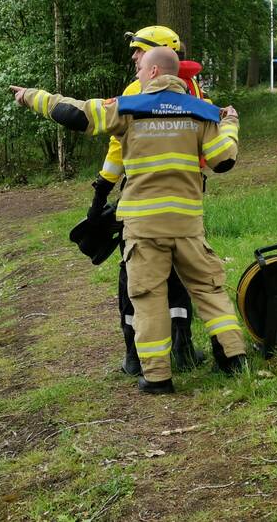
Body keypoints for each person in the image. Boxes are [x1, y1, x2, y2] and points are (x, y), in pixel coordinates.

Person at [10, 46, 247, 394]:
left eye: (139, 70)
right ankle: (233, 358)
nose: (135, 74)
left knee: (148, 296)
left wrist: (31, 96)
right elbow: (222, 160)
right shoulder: (203, 113)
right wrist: (230, 123)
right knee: (208, 289)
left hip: (144, 226)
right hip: (186, 224)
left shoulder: (127, 108)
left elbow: (74, 113)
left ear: (153, 73)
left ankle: (157, 377)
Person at [90, 26, 207, 377]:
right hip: (184, 200)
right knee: (180, 274)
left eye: (140, 50)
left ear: (159, 55)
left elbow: (117, 149)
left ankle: (136, 355)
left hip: (143, 204)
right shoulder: (191, 90)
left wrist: (101, 190)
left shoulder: (137, 90)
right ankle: (181, 348)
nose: (134, 57)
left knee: (135, 277)